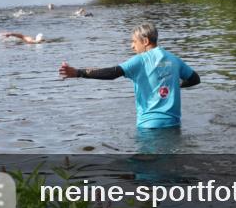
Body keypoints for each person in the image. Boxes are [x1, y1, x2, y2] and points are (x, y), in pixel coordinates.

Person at [59, 23, 200, 129]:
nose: (132, 46)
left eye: (134, 41)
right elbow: (195, 79)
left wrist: (79, 73)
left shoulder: (141, 60)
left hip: (149, 126)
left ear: (145, 41)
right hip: (173, 124)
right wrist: (176, 85)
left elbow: (112, 72)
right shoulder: (174, 59)